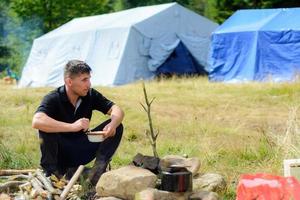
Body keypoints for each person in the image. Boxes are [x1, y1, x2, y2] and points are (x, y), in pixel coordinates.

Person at [32, 60, 124, 185]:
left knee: (118, 126)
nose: (89, 84)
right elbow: (37, 121)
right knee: (45, 127)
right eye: (84, 80)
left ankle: (96, 173)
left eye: (89, 79)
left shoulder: (90, 95)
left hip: (81, 148)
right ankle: (52, 174)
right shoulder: (54, 98)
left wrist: (112, 124)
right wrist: (72, 126)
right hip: (59, 153)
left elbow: (117, 110)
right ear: (69, 81)